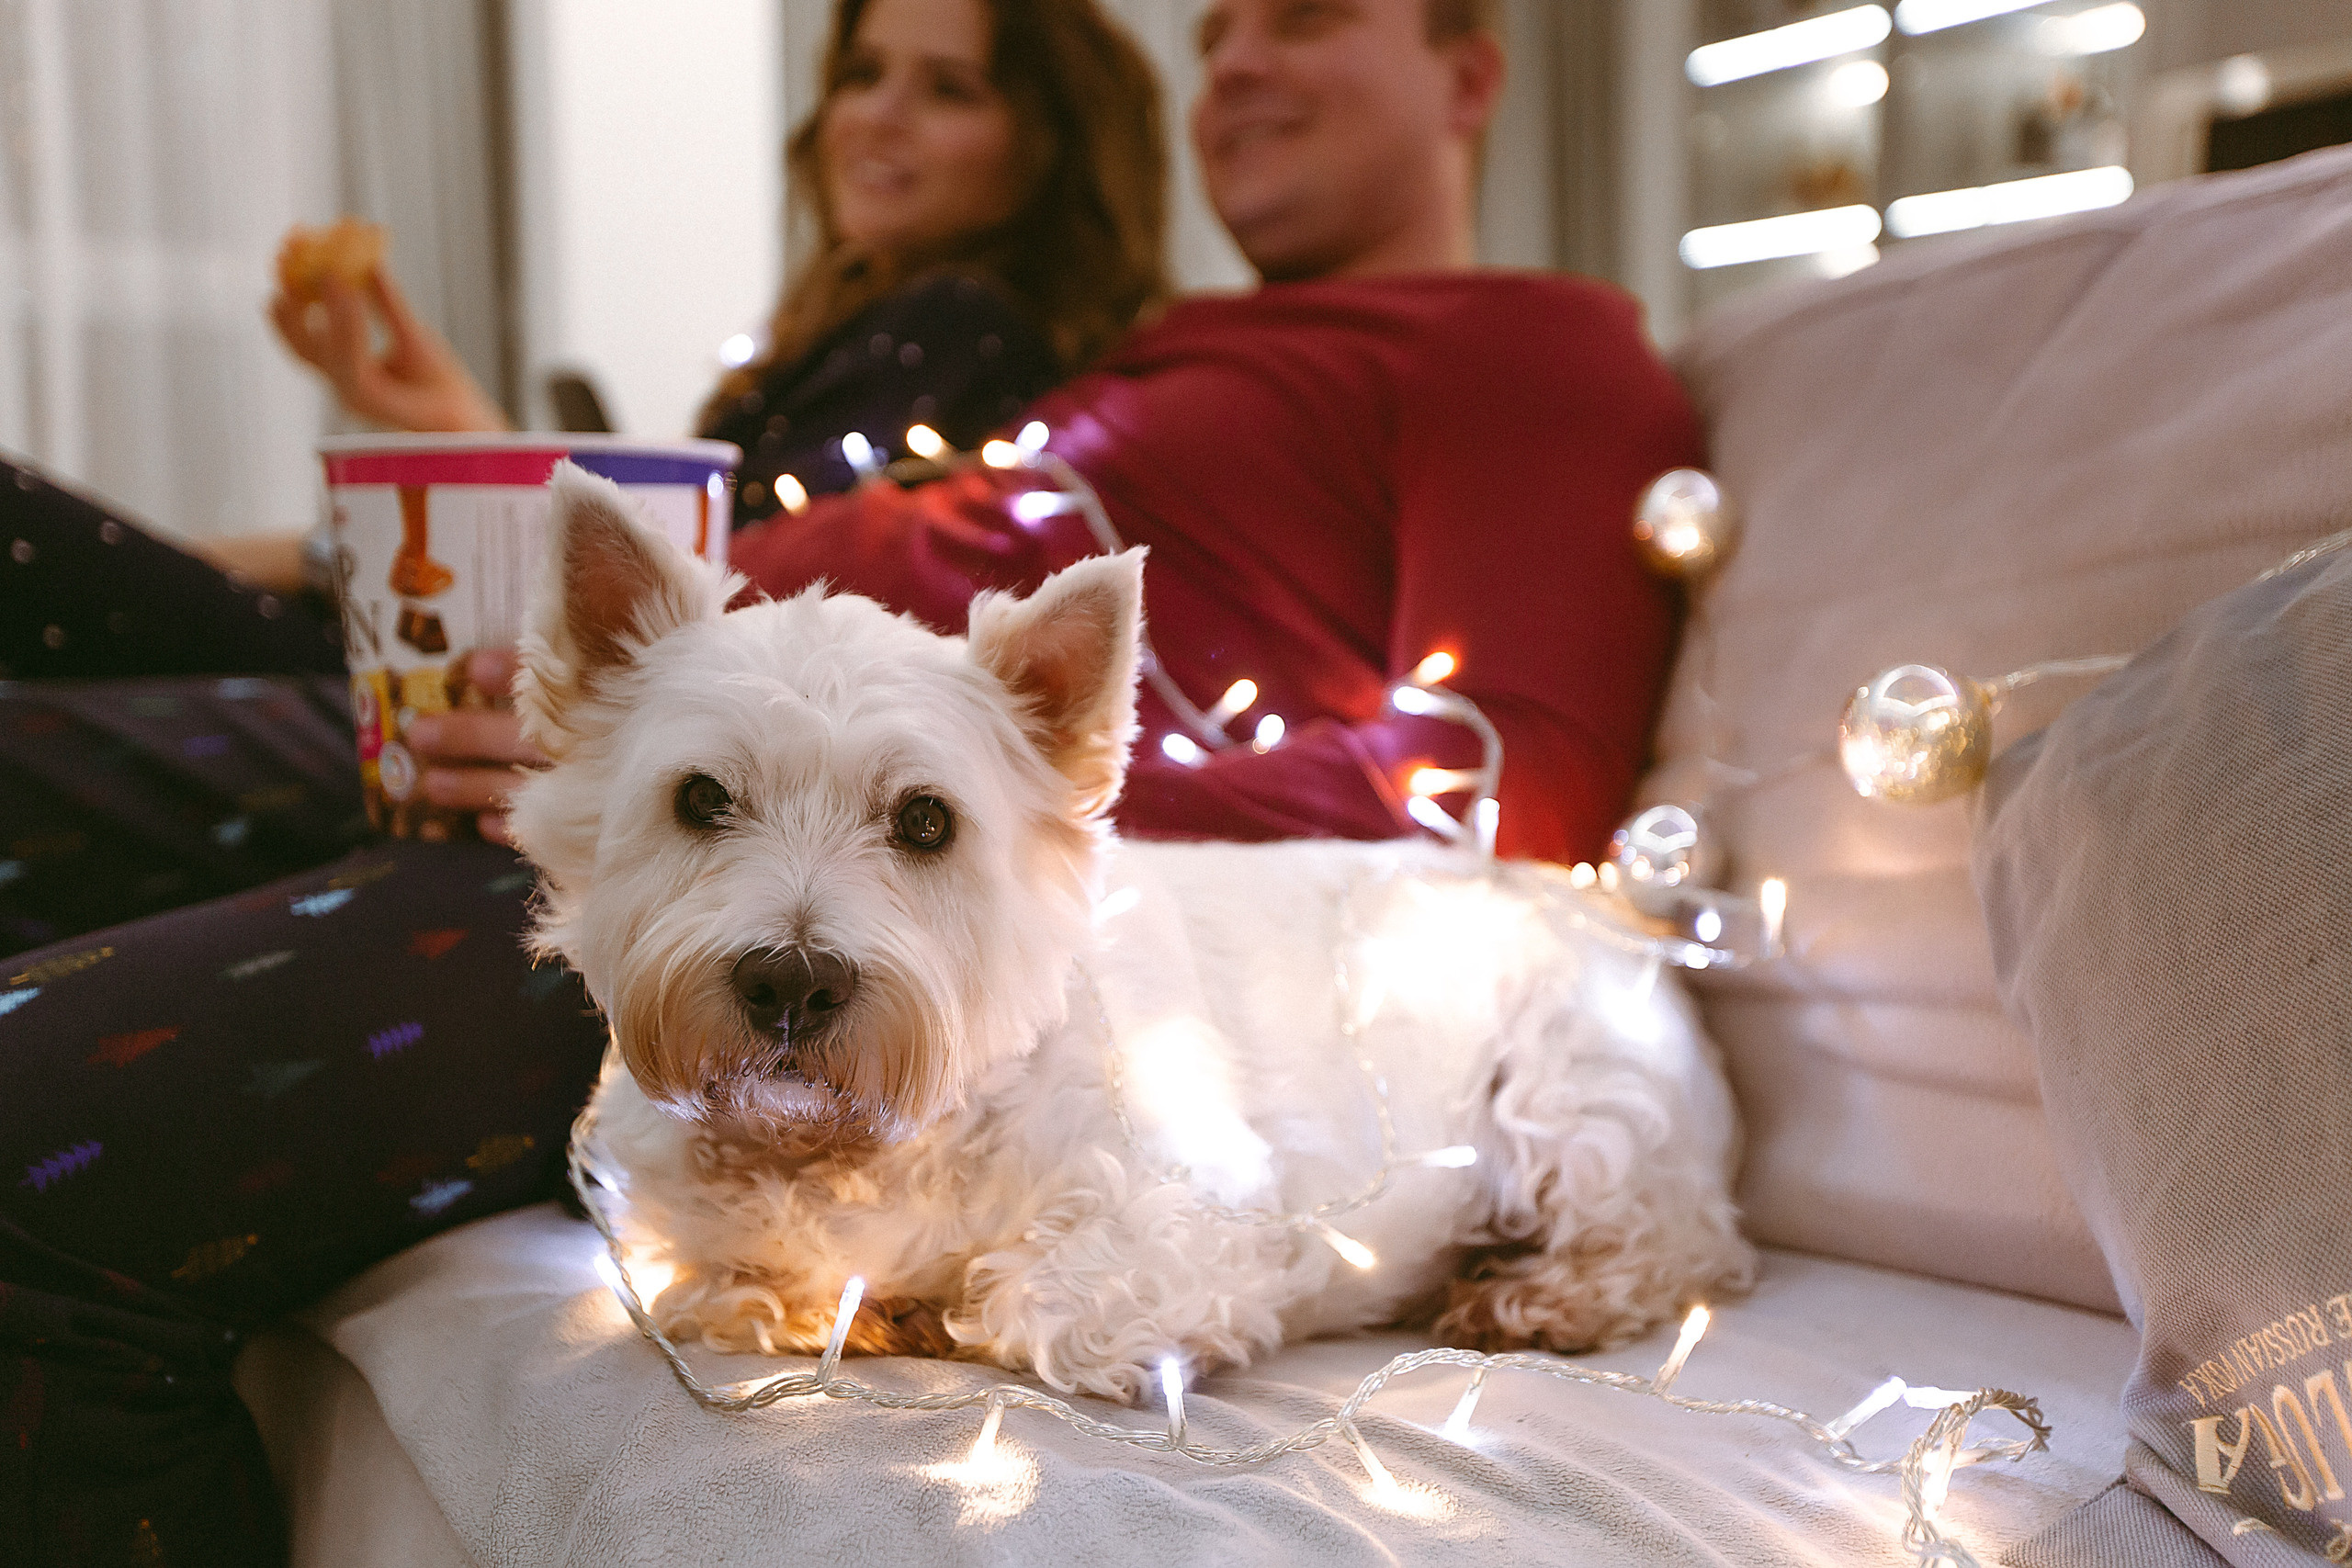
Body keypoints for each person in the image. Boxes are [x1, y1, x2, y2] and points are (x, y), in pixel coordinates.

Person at [0, 2, 1700, 1562]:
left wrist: (973, 764)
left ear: (1474, 73)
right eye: (1220, 26)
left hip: (682, 824)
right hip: (639, 743)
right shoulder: (1140, 356)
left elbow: (1514, 771)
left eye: (1306, 15)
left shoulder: (1529, 342)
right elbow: (741, 592)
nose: (1236, 60)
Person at [267, 0, 1166, 515]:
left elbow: (703, 589)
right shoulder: (886, 324)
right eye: (861, 73)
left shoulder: (962, 325)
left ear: (1051, 149)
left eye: (947, 89)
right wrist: (452, 416)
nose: (878, 116)